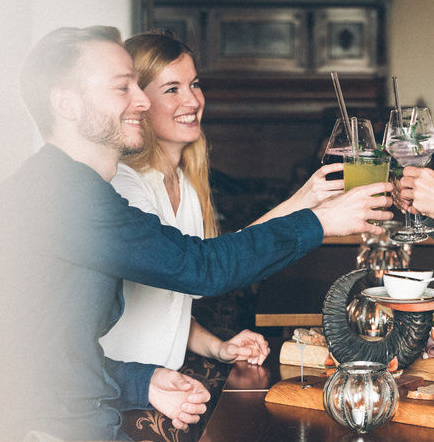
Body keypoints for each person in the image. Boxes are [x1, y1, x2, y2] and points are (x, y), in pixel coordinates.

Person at [0, 26, 394, 442]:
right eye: (125, 87)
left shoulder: (76, 191)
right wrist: (319, 222)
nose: (145, 101)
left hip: (95, 435)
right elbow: (199, 268)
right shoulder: (58, 196)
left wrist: (139, 381)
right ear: (65, 103)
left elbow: (42, 351)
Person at [101, 31, 347, 372]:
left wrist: (218, 347)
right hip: (130, 394)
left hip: (164, 382)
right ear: (140, 103)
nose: (192, 101)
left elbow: (184, 289)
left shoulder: (185, 182)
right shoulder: (126, 185)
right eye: (172, 89)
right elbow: (205, 271)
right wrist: (320, 220)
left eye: (195, 84)